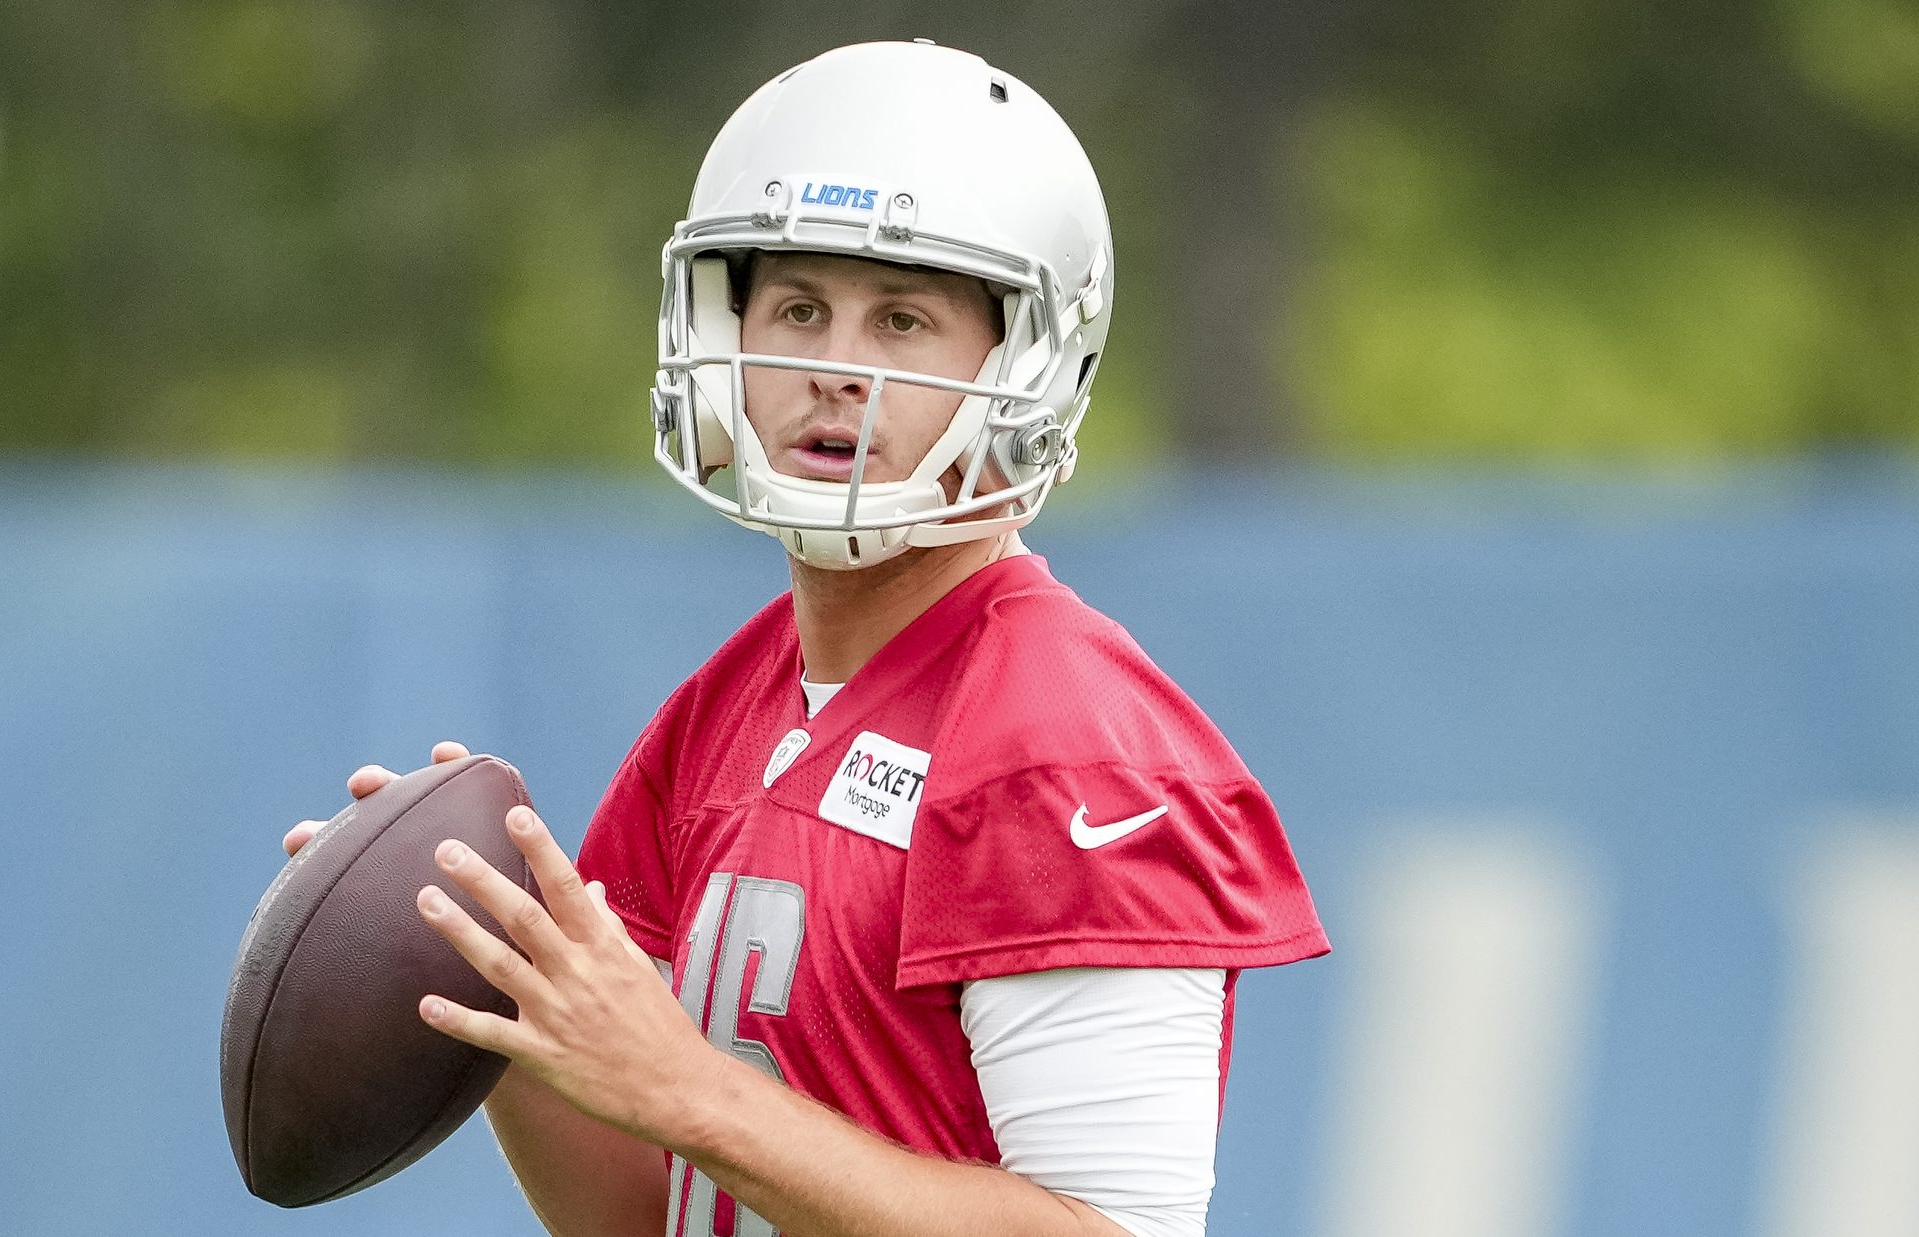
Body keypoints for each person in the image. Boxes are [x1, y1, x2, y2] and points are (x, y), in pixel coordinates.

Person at [286, 40, 1327, 1237]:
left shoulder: (1069, 746)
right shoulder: (728, 708)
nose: (834, 368)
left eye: (900, 319)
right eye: (796, 309)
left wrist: (698, 1097)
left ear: (1030, 364)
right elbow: (654, 1215)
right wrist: (501, 991)